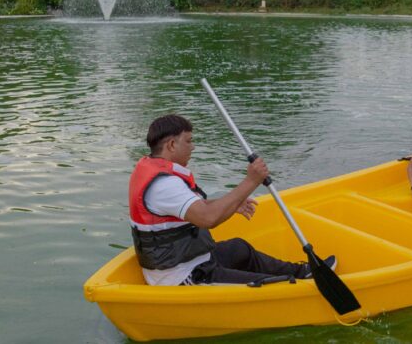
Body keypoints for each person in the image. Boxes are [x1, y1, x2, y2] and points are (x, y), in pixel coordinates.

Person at [129, 114, 336, 285]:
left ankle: (304, 271)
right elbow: (208, 218)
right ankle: (296, 284)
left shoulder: (157, 171)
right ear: (172, 144)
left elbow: (192, 208)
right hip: (182, 276)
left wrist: (233, 203)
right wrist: (252, 180)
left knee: (239, 248)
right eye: (189, 141)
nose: (193, 147)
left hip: (193, 261)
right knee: (270, 283)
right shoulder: (164, 185)